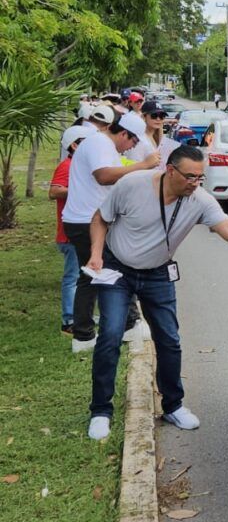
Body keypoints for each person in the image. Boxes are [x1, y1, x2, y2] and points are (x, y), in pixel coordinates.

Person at [84, 146, 228, 440]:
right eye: (189, 177)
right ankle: (100, 411)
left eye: (200, 177)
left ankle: (173, 405)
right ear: (170, 171)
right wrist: (96, 254)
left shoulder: (198, 199)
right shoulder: (133, 185)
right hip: (117, 269)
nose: (195, 183)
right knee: (109, 336)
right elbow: (100, 218)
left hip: (158, 272)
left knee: (170, 340)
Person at [63, 110, 158, 353]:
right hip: (87, 222)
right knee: (103, 273)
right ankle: (93, 333)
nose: (130, 148)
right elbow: (104, 177)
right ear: (123, 133)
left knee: (99, 274)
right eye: (133, 142)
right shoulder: (99, 143)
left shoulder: (104, 145)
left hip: (90, 219)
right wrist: (143, 165)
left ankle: (100, 331)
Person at [51, 135, 87, 335]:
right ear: (74, 145)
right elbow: (54, 191)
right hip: (69, 234)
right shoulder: (67, 165)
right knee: (72, 277)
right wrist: (79, 188)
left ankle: (80, 316)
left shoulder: (81, 167)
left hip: (82, 232)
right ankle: (69, 321)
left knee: (84, 277)